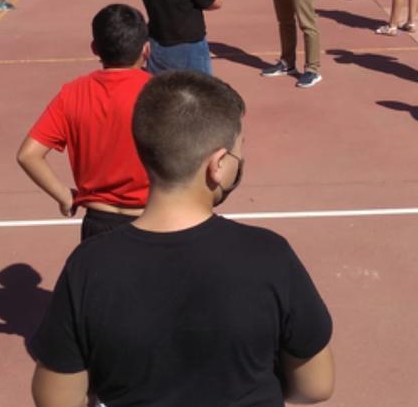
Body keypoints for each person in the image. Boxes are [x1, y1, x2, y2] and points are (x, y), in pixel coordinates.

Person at [29, 71, 335, 407]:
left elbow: (55, 399)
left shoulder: (88, 265)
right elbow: (316, 386)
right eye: (237, 152)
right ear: (217, 165)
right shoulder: (270, 255)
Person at [16, 4, 152, 240]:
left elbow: (28, 155)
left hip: (98, 223)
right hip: (151, 220)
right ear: (146, 50)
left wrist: (64, 195)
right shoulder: (160, 93)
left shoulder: (73, 93)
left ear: (94, 49)